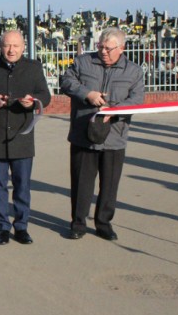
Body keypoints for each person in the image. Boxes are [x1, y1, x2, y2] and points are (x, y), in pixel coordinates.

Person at [60, 27, 144, 241]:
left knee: (109, 184)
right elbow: (67, 82)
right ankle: (78, 223)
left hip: (114, 136)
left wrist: (113, 111)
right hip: (83, 134)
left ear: (121, 48)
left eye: (108, 48)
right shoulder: (83, 62)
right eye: (100, 47)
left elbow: (136, 100)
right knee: (81, 182)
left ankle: (103, 223)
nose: (103, 52)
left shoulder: (133, 71)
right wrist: (87, 94)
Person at [0, 30, 51, 245]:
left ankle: (21, 227)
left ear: (23, 46)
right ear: (0, 46)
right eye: (7, 45)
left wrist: (33, 101)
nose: (11, 50)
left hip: (22, 136)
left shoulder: (33, 68)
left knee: (22, 185)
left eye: (15, 46)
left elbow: (46, 96)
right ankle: (2, 227)